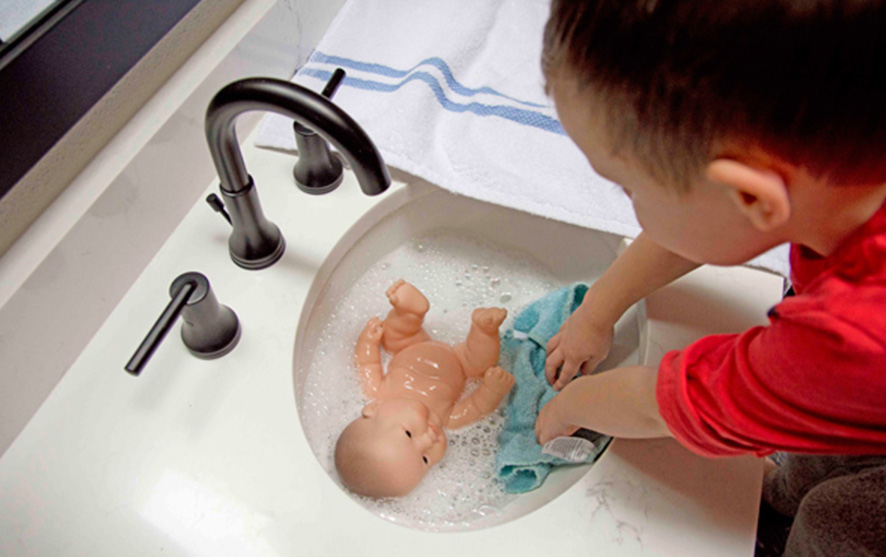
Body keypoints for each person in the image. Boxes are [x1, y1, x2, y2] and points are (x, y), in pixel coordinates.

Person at [533, 1, 886, 555]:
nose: (633, 209)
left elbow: (671, 402)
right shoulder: (841, 166)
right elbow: (702, 221)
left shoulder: (849, 337)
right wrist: (598, 309)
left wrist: (567, 406)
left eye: (632, 191)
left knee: (833, 524)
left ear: (750, 195)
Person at [336, 279, 515, 498]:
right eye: (425, 459)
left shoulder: (377, 392)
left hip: (410, 346)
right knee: (481, 364)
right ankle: (484, 329)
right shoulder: (448, 419)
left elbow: (366, 364)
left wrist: (368, 342)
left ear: (373, 410)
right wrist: (493, 389)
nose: (429, 439)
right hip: (460, 363)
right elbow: (477, 406)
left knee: (393, 335)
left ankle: (409, 311)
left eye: (409, 433)